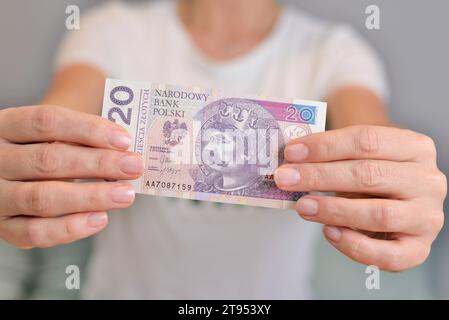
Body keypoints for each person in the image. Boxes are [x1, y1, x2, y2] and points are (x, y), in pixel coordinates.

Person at [0, 0, 446, 299]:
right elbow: (55, 124)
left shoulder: (335, 54)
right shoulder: (113, 31)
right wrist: (26, 168)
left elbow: (372, 132)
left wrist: (397, 191)